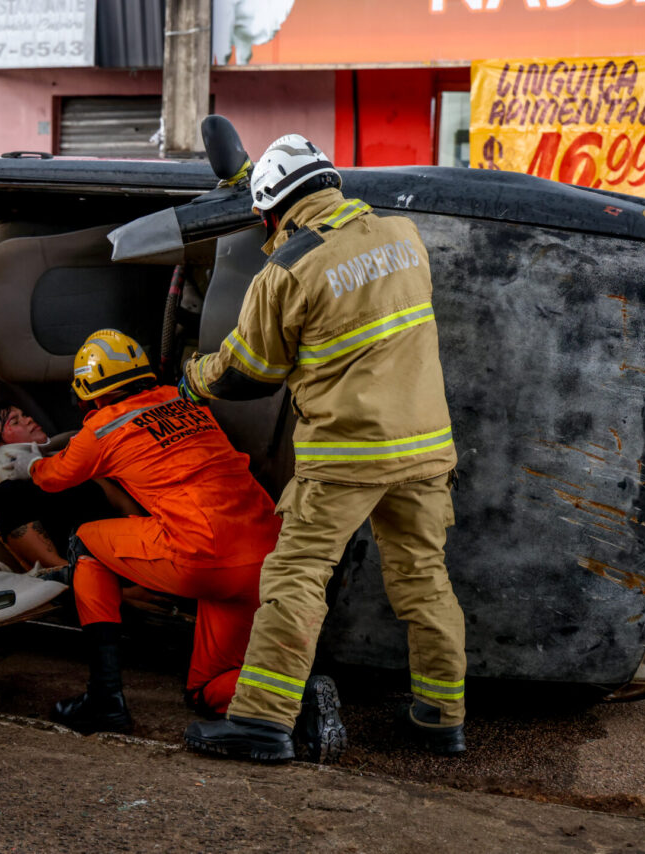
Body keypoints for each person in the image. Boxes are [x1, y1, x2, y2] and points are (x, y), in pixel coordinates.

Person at [180, 134, 467, 762]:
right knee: (423, 578)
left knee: (296, 576)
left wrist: (194, 375)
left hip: (347, 453)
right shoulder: (403, 235)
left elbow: (248, 373)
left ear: (272, 211)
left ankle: (260, 722)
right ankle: (441, 716)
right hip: (424, 446)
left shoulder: (287, 269)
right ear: (328, 181)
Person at [1, 329, 329, 747]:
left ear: (88, 391)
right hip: (266, 552)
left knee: (86, 543)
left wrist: (24, 464)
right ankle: (298, 697)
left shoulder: (101, 429)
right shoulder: (187, 404)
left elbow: (51, 478)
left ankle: (105, 698)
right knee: (206, 691)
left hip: (203, 555)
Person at [0, 400, 117, 568]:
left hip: (134, 544)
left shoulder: (64, 461)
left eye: (24, 415)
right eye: (15, 421)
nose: (29, 419)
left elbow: (120, 501)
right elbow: (51, 563)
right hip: (103, 572)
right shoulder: (9, 495)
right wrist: (127, 592)